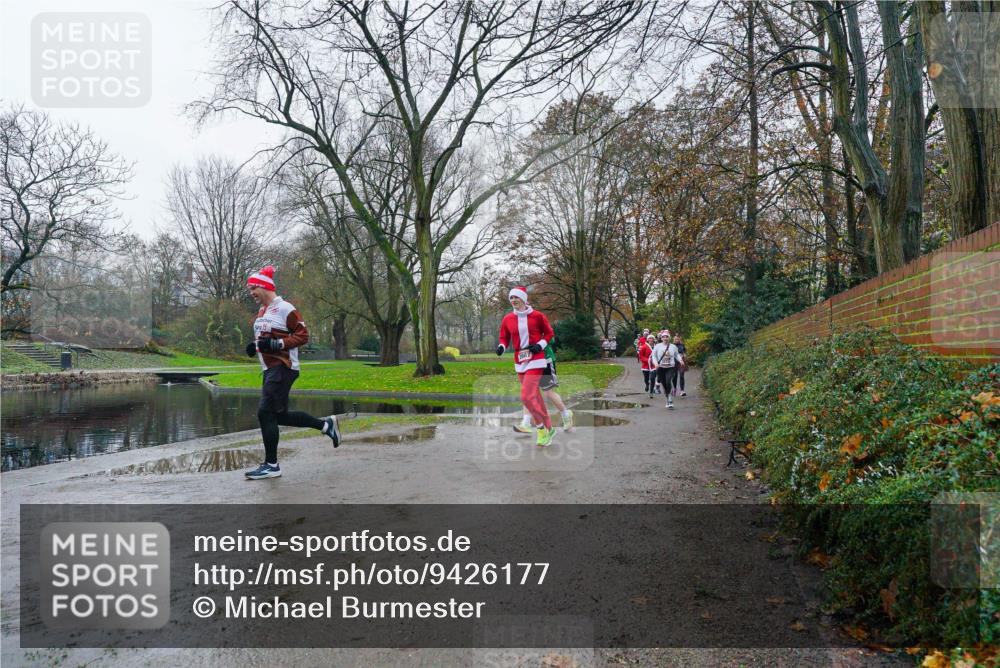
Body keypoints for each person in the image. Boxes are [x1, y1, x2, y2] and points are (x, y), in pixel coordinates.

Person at [243, 266, 340, 480]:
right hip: (270, 369)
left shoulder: (286, 308)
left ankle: (272, 465)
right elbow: (267, 340)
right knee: (279, 416)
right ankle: (326, 425)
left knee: (264, 413)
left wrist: (276, 343)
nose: (251, 293)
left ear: (264, 286)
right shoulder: (262, 312)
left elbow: (302, 336)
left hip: (283, 367)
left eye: (253, 288)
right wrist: (255, 346)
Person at [497, 286, 556, 447]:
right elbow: (504, 337)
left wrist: (540, 344)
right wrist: (501, 347)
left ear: (524, 299)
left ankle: (541, 428)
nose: (514, 300)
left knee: (526, 396)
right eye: (511, 298)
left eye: (516, 297)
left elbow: (550, 333)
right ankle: (550, 427)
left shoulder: (537, 316)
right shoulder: (508, 318)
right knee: (535, 397)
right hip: (519, 360)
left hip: (536, 358)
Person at [513, 342, 574, 433]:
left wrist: (538, 343)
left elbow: (551, 339)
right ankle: (526, 423)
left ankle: (566, 414)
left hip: (546, 361)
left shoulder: (544, 327)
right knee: (528, 392)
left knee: (548, 392)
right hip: (531, 362)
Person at [650, 331, 683, 410]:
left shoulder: (673, 347)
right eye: (663, 337)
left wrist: (680, 360)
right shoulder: (657, 346)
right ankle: (667, 398)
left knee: (668, 381)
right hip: (660, 367)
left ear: (669, 338)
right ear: (661, 338)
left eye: (667, 337)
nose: (665, 338)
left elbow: (676, 354)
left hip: (670, 367)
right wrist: (655, 364)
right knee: (664, 384)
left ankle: (670, 399)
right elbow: (653, 356)